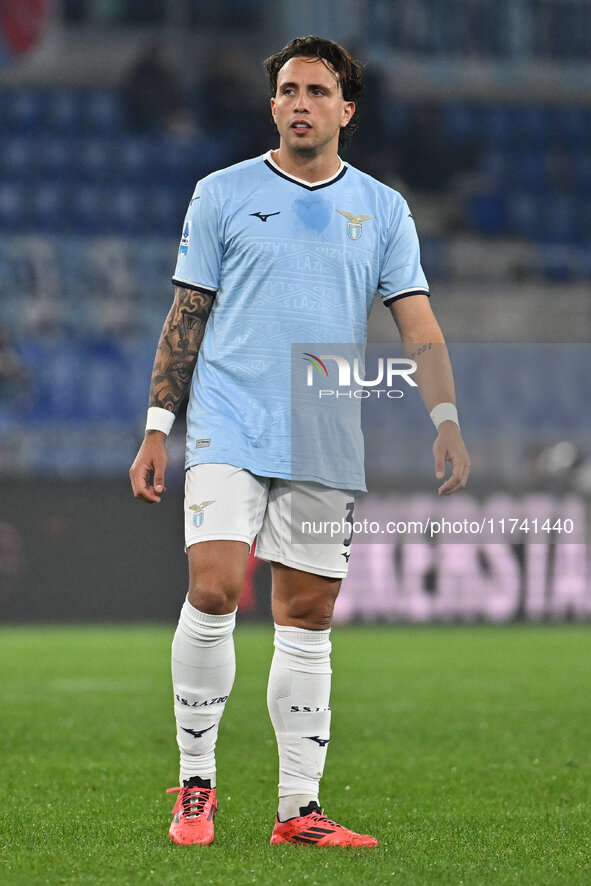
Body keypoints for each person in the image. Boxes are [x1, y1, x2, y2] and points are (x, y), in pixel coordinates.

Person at [129, 35, 470, 849]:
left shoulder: (383, 209)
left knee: (307, 614)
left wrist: (444, 417)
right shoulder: (220, 194)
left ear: (345, 110)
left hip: (323, 426)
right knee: (214, 588)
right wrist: (155, 427)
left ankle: (298, 811)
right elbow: (186, 317)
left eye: (317, 90)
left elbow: (415, 322)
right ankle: (197, 785)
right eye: (287, 90)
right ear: (272, 104)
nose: (300, 103)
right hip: (229, 421)